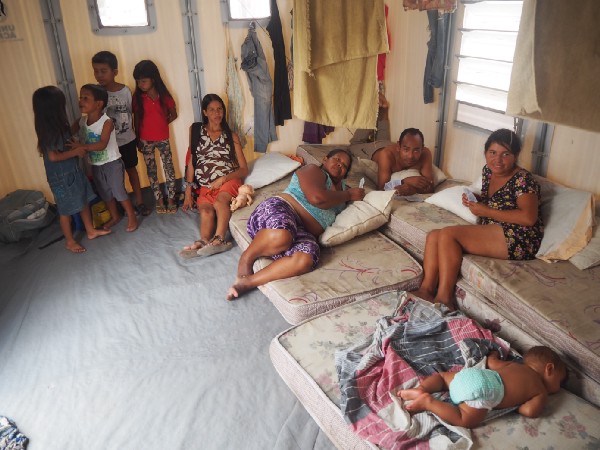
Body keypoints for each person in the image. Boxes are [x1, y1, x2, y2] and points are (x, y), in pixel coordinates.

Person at [412, 129, 543, 309]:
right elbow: (499, 202)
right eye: (493, 153)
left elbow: (528, 218)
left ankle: (444, 299)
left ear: (515, 156)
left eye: (506, 154)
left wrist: (486, 211)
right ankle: (426, 290)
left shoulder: (523, 180)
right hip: (496, 227)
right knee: (434, 235)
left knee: (449, 235)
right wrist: (476, 202)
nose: (498, 160)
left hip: (520, 236)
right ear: (485, 153)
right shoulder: (488, 172)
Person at [226, 149, 365, 300]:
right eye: (337, 159)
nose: (339, 165)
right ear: (325, 159)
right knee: (282, 235)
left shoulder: (344, 190)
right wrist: (349, 195)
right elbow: (317, 198)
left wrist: (354, 193)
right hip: (282, 209)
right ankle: (248, 257)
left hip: (302, 232)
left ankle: (247, 282)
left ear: (345, 174)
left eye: (344, 165)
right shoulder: (313, 170)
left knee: (307, 258)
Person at [398, 346, 566, 428]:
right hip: (485, 390)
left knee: (442, 377)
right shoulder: (540, 391)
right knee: (464, 419)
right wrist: (519, 406)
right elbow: (530, 412)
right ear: (549, 369)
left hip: (475, 375)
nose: (558, 388)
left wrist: (493, 354)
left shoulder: (514, 366)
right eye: (559, 382)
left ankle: (421, 389)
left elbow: (492, 363)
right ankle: (428, 402)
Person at [32, 86, 111, 252]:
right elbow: (53, 157)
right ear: (53, 109)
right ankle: (69, 240)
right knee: (65, 210)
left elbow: (69, 135)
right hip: (62, 178)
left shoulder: (59, 125)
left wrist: (81, 122)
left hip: (73, 172)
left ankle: (90, 231)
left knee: (83, 201)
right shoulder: (48, 132)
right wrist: (75, 152)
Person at [180, 94, 249, 257]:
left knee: (220, 202)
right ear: (205, 112)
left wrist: (223, 179)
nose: (217, 113)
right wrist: (188, 192)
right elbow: (192, 161)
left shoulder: (231, 136)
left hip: (228, 180)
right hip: (206, 186)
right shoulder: (196, 130)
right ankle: (204, 241)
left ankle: (219, 240)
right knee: (205, 211)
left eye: (220, 109)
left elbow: (244, 169)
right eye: (212, 110)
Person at [71, 84, 138, 232]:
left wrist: (81, 147)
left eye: (85, 98)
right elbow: (69, 131)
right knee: (105, 193)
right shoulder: (82, 122)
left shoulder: (107, 122)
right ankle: (115, 216)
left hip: (112, 163)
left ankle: (131, 215)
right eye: (80, 98)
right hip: (95, 164)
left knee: (119, 191)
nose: (80, 101)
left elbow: (102, 144)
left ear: (99, 103)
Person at [92, 51, 150, 216]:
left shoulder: (125, 91)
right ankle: (121, 205)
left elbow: (133, 113)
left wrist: (137, 137)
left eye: (104, 71)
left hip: (127, 140)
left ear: (115, 72)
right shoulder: (95, 93)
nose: (99, 75)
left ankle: (139, 201)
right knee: (113, 176)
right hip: (107, 144)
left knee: (132, 170)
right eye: (96, 71)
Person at [349, 93, 434, 195]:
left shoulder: (425, 153)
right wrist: (404, 181)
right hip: (375, 150)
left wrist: (414, 189)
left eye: (416, 150)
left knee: (383, 138)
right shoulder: (387, 155)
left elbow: (430, 187)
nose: (411, 156)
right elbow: (381, 188)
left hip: (387, 143)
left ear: (422, 148)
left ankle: (383, 109)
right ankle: (372, 109)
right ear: (399, 147)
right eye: (406, 149)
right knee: (355, 144)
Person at [132, 60, 178, 214]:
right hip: (145, 140)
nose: (140, 84)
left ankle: (171, 198)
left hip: (163, 138)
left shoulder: (163, 96)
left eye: (143, 81)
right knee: (151, 170)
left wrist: (162, 124)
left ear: (153, 79)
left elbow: (174, 114)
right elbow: (136, 119)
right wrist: (138, 138)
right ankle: (159, 199)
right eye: (138, 81)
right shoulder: (138, 97)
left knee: (168, 167)